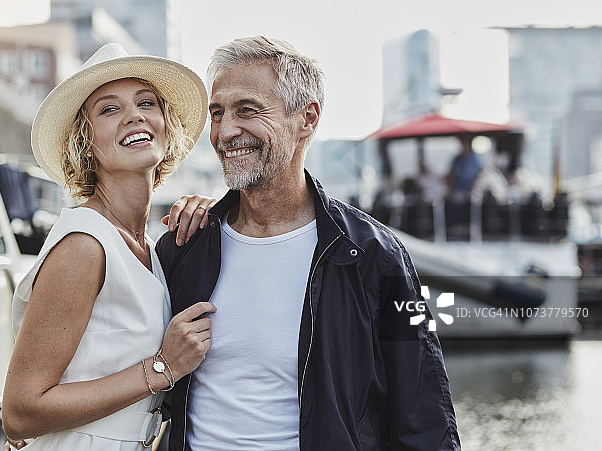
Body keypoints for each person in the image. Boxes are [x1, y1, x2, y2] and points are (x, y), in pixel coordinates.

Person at [157, 36, 461, 450]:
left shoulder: (376, 257)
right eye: (217, 113)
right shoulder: (183, 244)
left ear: (307, 119)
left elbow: (423, 414)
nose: (225, 131)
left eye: (247, 110)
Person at [2, 43, 217, 450]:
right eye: (109, 109)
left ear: (165, 124)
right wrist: (163, 366)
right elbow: (20, 412)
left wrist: (215, 212)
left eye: (146, 102)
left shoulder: (148, 246)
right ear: (86, 141)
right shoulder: (84, 244)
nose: (134, 115)